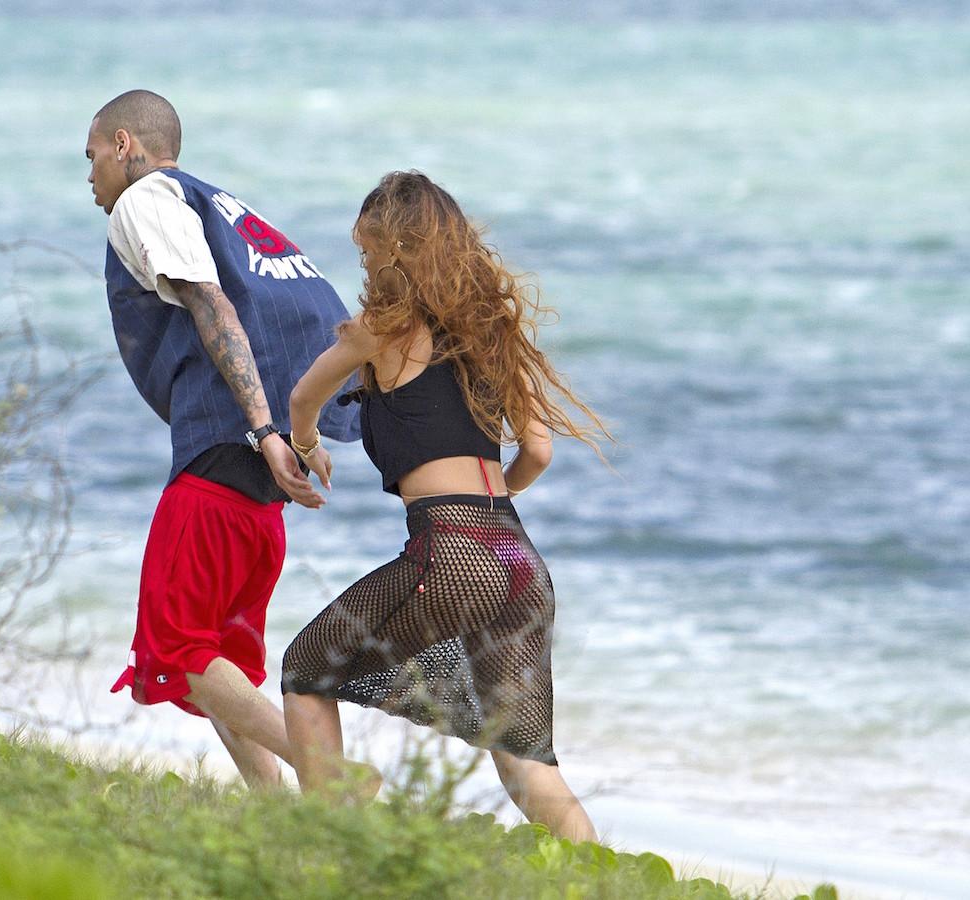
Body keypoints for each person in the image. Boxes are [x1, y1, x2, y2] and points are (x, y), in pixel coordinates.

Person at [280, 171, 611, 840]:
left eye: (369, 249)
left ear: (398, 249)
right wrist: (488, 513)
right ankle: (601, 880)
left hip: (452, 553)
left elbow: (300, 399)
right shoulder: (493, 336)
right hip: (520, 560)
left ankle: (328, 842)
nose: (366, 263)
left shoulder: (379, 330)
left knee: (304, 670)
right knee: (524, 761)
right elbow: (538, 453)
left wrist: (306, 443)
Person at [85, 89, 372, 790]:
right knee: (218, 664)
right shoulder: (229, 212)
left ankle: (331, 775)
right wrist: (300, 434)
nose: (90, 181)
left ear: (125, 144)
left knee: (178, 652)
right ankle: (275, 809)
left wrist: (266, 430)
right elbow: (309, 315)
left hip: (220, 460)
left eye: (91, 158)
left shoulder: (146, 198)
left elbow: (211, 303)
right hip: (259, 502)